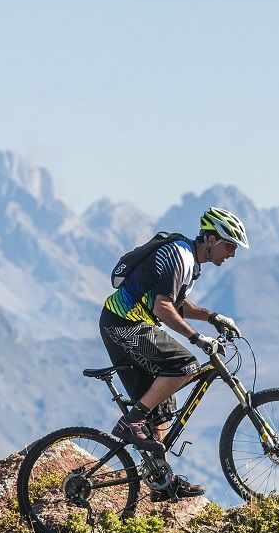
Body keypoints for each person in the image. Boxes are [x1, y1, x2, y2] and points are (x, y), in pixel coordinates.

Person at [100, 205, 248, 500]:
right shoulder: (179, 255)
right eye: (230, 246)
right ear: (211, 239)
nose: (231, 254)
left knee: (163, 409)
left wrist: (213, 317)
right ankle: (132, 421)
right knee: (184, 365)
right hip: (124, 323)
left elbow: (177, 303)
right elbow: (162, 308)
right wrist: (197, 338)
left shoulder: (191, 262)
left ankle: (162, 483)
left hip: (134, 324)